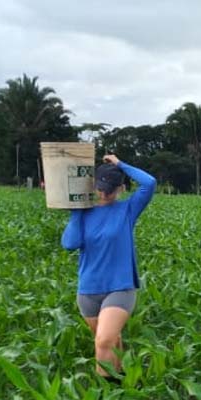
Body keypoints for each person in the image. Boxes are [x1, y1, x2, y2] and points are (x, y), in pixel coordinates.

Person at [61, 154, 157, 382]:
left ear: (121, 189)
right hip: (88, 290)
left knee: (103, 341)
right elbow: (69, 244)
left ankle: (104, 396)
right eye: (101, 187)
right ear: (94, 185)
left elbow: (149, 182)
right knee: (110, 343)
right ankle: (121, 383)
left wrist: (119, 163)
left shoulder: (127, 210)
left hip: (120, 287)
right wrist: (76, 213)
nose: (104, 193)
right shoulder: (84, 212)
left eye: (110, 189)